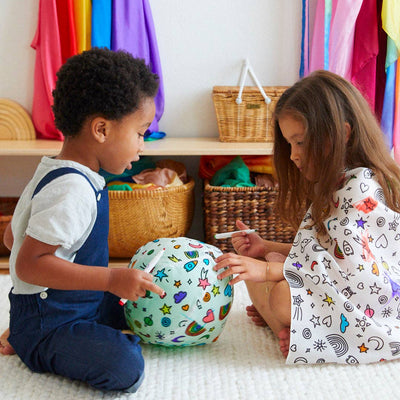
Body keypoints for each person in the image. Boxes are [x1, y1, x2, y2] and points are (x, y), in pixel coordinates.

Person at [0, 47, 165, 392]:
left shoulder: (57, 169)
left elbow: (12, 240)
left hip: (73, 303)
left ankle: (26, 327)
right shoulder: (72, 189)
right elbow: (29, 264)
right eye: (140, 133)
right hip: (53, 322)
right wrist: (109, 278)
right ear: (102, 129)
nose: (142, 146)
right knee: (125, 368)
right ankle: (30, 338)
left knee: (144, 302)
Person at [214, 70, 400, 365]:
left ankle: (294, 331)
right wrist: (266, 248)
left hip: (377, 306)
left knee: (279, 294)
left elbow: (354, 274)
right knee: (257, 270)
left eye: (299, 142)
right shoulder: (335, 183)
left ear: (342, 134)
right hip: (342, 288)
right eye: (289, 144)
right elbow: (326, 251)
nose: (292, 155)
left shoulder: (360, 189)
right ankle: (293, 329)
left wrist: (270, 272)